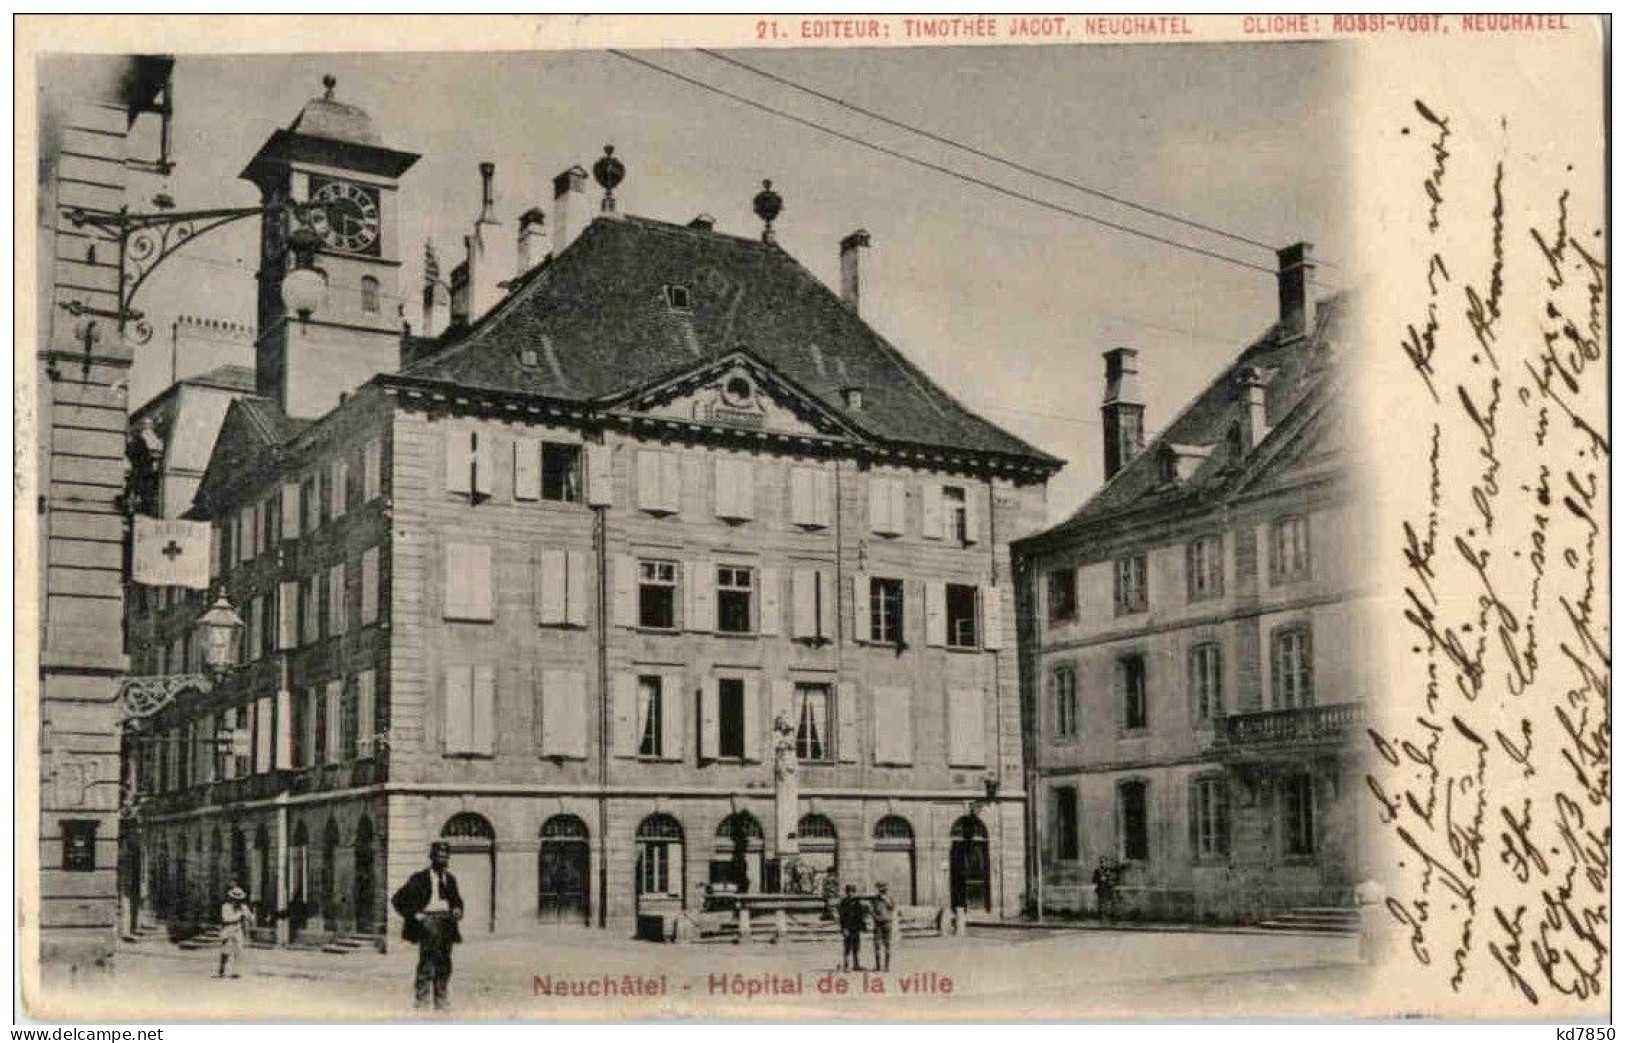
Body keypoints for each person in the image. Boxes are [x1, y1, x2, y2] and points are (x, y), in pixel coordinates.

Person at [391, 841, 465, 1011]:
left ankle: (441, 1000)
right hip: (428, 922)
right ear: (432, 857)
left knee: (445, 963)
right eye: (439, 856)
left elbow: (457, 901)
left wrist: (457, 910)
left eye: (445, 857)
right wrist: (414, 914)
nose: (442, 859)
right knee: (427, 962)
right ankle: (422, 1001)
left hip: (447, 922)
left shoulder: (450, 879)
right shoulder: (420, 878)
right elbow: (397, 899)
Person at [217, 881, 249, 979]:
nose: (236, 901)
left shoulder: (242, 907)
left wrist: (248, 915)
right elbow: (226, 918)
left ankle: (236, 971)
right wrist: (239, 915)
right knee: (226, 950)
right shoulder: (226, 906)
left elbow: (249, 916)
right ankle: (222, 968)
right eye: (235, 899)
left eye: (239, 899)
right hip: (228, 928)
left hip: (238, 929)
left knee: (239, 950)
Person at [837, 883, 866, 972]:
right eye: (849, 892)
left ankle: (856, 965)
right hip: (847, 928)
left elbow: (861, 916)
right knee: (847, 947)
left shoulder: (858, 902)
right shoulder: (844, 902)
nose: (851, 893)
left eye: (852, 891)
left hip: (856, 928)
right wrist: (844, 929)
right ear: (847, 892)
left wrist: (862, 926)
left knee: (856, 947)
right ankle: (846, 965)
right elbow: (842, 917)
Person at [870, 881, 897, 972]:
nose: (882, 889)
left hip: (887, 923)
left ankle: (886, 966)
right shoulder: (875, 899)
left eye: (884, 887)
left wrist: (886, 899)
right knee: (877, 944)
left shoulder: (890, 898)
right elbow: (872, 910)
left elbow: (892, 908)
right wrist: (875, 917)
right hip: (878, 924)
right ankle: (878, 966)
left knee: (887, 945)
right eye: (880, 888)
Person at [1092, 856, 1118, 924]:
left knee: (1111, 904)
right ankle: (1102, 920)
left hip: (1109, 889)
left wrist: (1111, 880)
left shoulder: (1109, 870)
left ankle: (1112, 920)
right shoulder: (1097, 870)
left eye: (1104, 862)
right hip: (1101, 890)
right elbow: (1094, 880)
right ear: (1100, 863)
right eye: (1102, 862)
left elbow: (1113, 878)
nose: (1103, 863)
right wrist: (1100, 879)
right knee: (1101, 905)